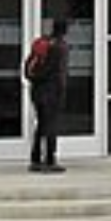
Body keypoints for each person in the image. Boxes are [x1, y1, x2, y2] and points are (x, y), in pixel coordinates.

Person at [28, 17, 70, 173]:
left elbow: (29, 70)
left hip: (37, 92)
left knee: (41, 125)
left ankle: (36, 159)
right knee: (51, 126)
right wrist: (61, 92)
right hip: (52, 93)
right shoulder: (60, 47)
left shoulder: (42, 44)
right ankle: (50, 160)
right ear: (64, 31)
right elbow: (59, 73)